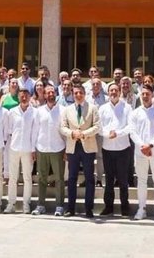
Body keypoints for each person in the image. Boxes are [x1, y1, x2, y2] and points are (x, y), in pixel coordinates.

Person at [60, 85, 100, 218]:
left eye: (80, 93)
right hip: (73, 147)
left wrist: (84, 134)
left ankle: (89, 208)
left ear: (84, 93)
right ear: (72, 94)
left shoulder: (93, 108)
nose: (78, 95)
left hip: (87, 146)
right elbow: (62, 127)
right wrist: (72, 133)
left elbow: (97, 126)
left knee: (89, 178)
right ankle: (70, 208)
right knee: (72, 179)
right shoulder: (67, 110)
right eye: (76, 93)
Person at [129, 84, 154, 221]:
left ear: (152, 95)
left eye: (147, 94)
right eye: (143, 94)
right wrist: (142, 146)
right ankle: (141, 209)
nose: (145, 96)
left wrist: (150, 145)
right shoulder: (135, 113)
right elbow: (132, 132)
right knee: (142, 181)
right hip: (140, 153)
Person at [98, 83, 132, 217]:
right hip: (107, 149)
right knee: (109, 180)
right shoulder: (103, 108)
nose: (113, 92)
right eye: (111, 90)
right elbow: (99, 127)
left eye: (116, 90)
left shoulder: (127, 107)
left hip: (123, 149)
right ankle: (109, 207)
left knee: (123, 180)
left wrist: (117, 133)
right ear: (108, 92)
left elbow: (130, 126)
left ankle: (125, 207)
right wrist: (108, 134)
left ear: (119, 92)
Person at [32, 85, 66, 217]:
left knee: (59, 179)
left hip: (58, 148)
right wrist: (33, 148)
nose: (51, 94)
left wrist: (66, 150)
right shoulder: (39, 111)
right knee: (41, 178)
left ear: (56, 94)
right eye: (48, 92)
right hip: (41, 148)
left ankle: (60, 206)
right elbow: (35, 130)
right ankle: (40, 205)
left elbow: (65, 131)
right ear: (44, 95)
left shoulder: (63, 110)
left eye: (53, 92)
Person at [5, 87, 38, 214]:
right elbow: (9, 131)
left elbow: (35, 132)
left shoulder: (34, 112)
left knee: (27, 178)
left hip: (28, 149)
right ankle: (11, 203)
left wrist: (33, 149)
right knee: (13, 177)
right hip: (13, 147)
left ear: (30, 97)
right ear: (18, 97)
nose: (24, 98)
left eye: (26, 96)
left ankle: (26, 204)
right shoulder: (12, 112)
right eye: (21, 96)